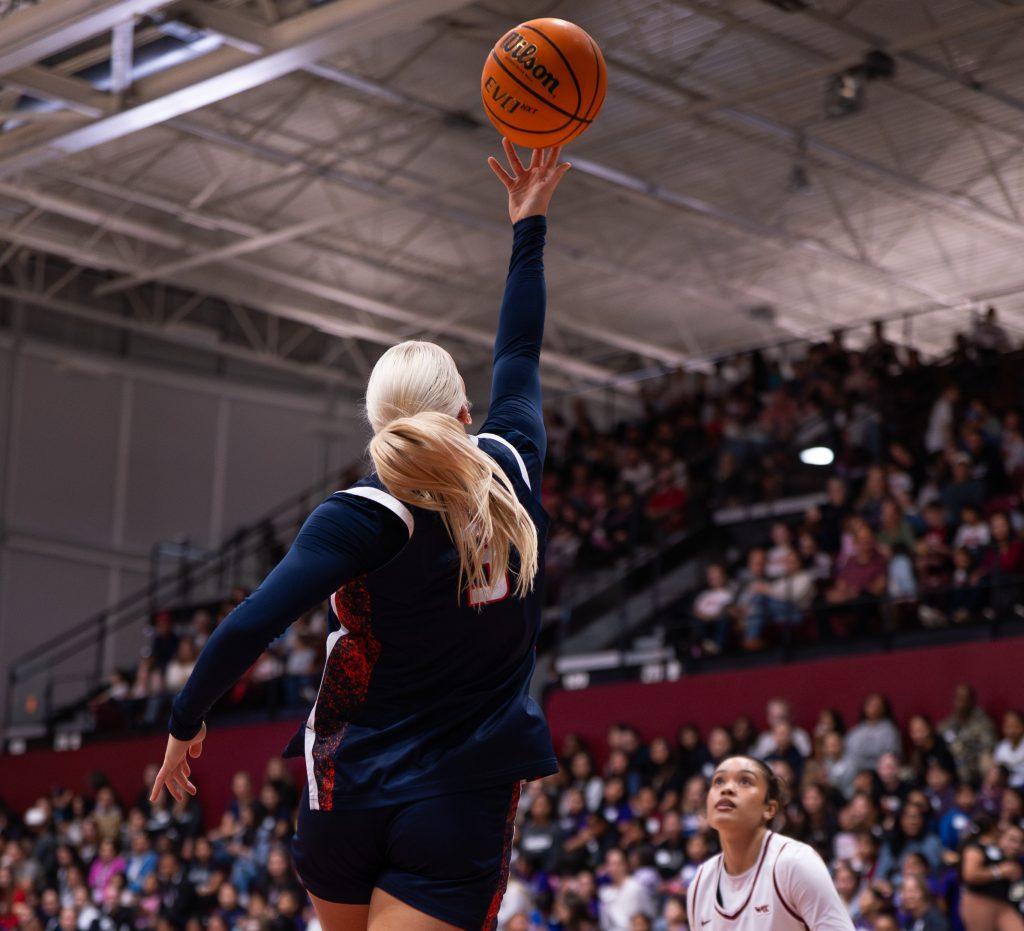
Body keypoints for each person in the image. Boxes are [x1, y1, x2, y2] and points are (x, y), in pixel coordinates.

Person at [149, 138, 573, 931]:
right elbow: (518, 348)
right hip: (460, 794)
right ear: (463, 415)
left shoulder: (361, 513)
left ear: (375, 427)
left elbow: (251, 623)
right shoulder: (511, 459)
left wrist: (184, 721)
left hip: (346, 789)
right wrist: (529, 224)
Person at [687, 756, 854, 930]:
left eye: (745, 781)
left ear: (769, 809)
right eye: (718, 781)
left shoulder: (794, 862)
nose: (727, 789)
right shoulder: (700, 882)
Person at [959, 822, 1024, 931]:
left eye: (1021, 842)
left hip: (1004, 907)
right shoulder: (980, 849)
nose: (1016, 846)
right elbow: (969, 875)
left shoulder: (1019, 862)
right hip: (979, 902)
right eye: (1012, 840)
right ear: (1000, 837)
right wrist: (999, 872)